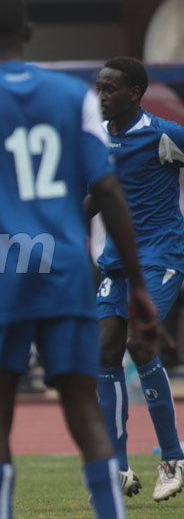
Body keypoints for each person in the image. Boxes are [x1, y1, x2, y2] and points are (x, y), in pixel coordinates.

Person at [0, 0, 158, 518]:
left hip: (3, 275)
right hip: (66, 270)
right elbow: (108, 192)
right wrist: (137, 284)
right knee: (84, 411)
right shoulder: (74, 97)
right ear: (29, 32)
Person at [90, 57, 184, 502]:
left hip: (160, 255)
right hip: (116, 262)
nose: (101, 96)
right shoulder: (96, 139)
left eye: (110, 89)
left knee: (139, 343)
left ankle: (173, 458)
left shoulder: (162, 133)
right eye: (98, 87)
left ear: (134, 93)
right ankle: (118, 469)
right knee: (105, 349)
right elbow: (95, 197)